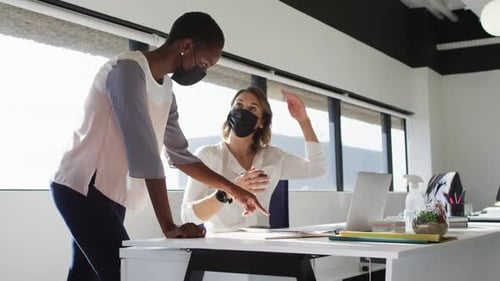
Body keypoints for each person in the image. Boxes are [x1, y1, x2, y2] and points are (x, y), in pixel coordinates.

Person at [50, 12, 267, 281]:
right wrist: (168, 226)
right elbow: (145, 153)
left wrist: (235, 189)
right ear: (185, 46)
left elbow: (181, 156)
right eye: (204, 63)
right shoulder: (127, 71)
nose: (203, 71)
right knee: (124, 273)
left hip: (111, 192)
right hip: (81, 186)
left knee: (85, 274)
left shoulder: (166, 92)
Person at [181, 86, 327, 232]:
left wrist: (303, 120)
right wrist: (229, 190)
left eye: (252, 109)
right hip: (222, 246)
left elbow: (317, 169)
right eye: (238, 105)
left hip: (262, 244)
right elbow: (188, 217)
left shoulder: (273, 157)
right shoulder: (208, 155)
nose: (243, 112)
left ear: (261, 122)